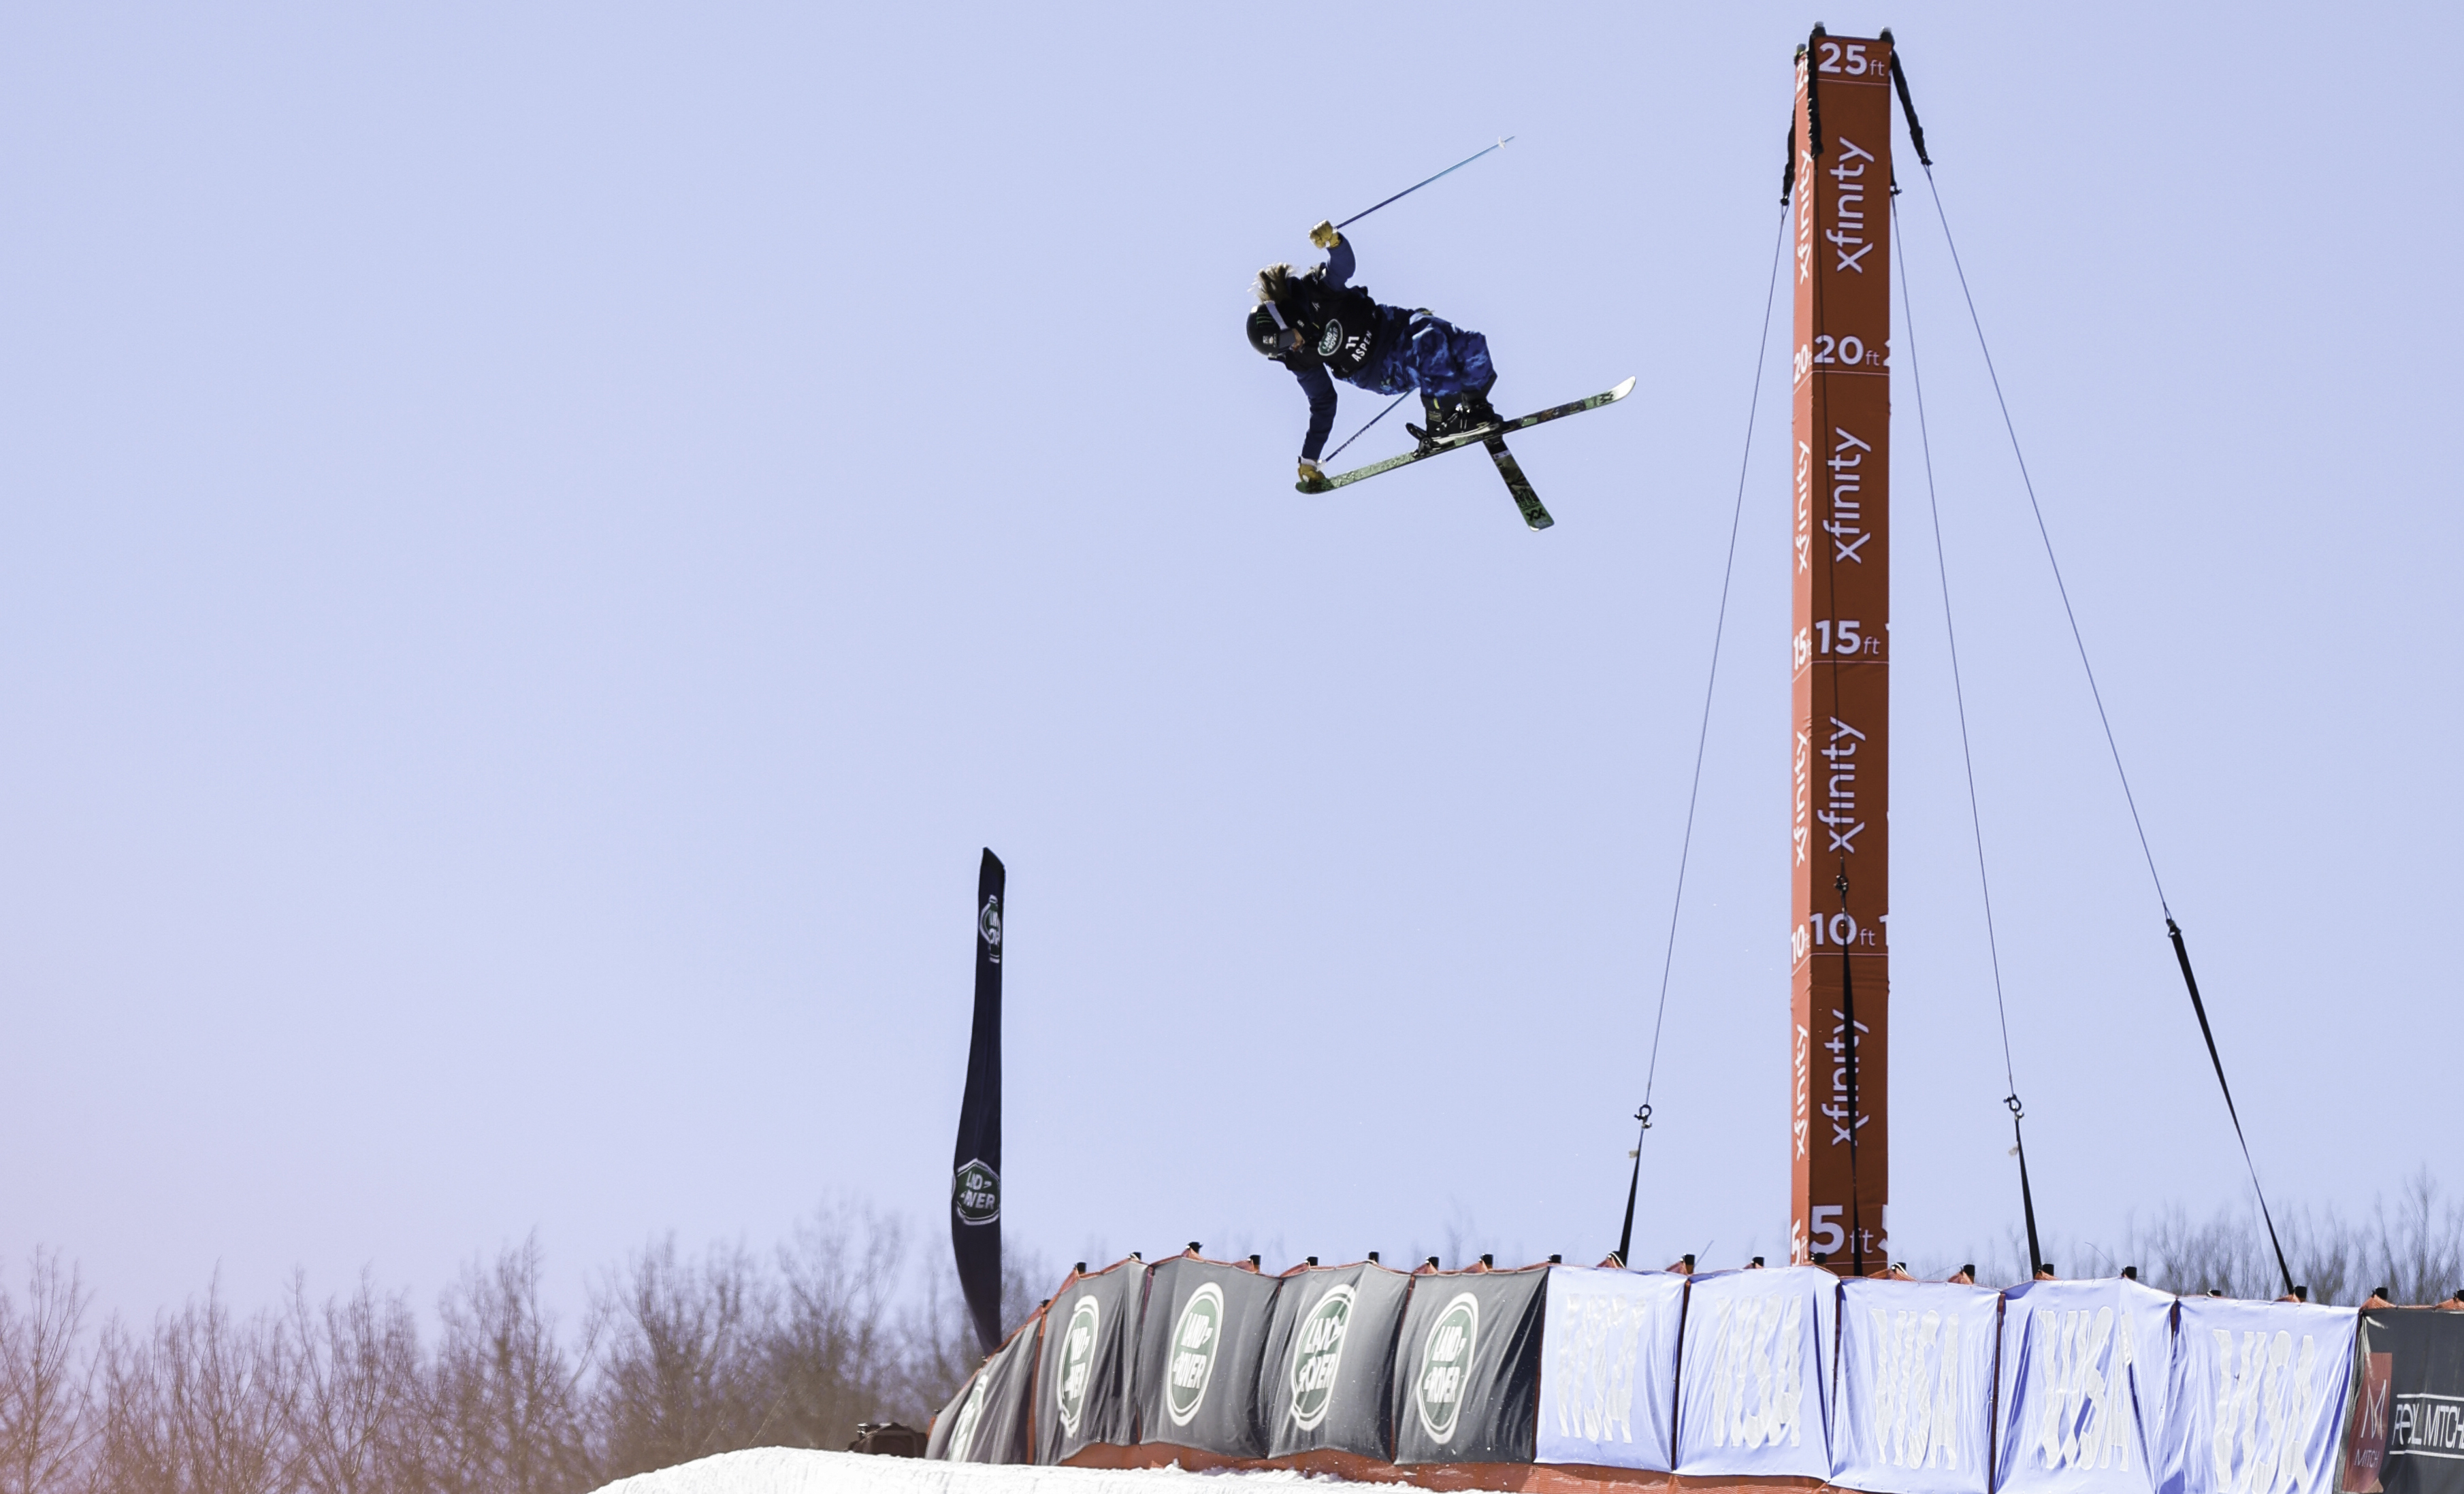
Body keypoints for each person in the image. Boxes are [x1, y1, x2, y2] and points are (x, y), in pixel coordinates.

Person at [1247, 221, 1500, 485]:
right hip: (1379, 369)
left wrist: (1335, 242)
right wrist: (1309, 459)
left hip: (1397, 326)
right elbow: (1323, 403)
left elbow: (1344, 268)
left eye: (1288, 339)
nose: (1294, 347)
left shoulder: (1316, 291)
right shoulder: (1300, 359)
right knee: (1431, 344)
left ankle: (1476, 408)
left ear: (1288, 318)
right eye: (1285, 349)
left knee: (1470, 345)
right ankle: (1441, 423)